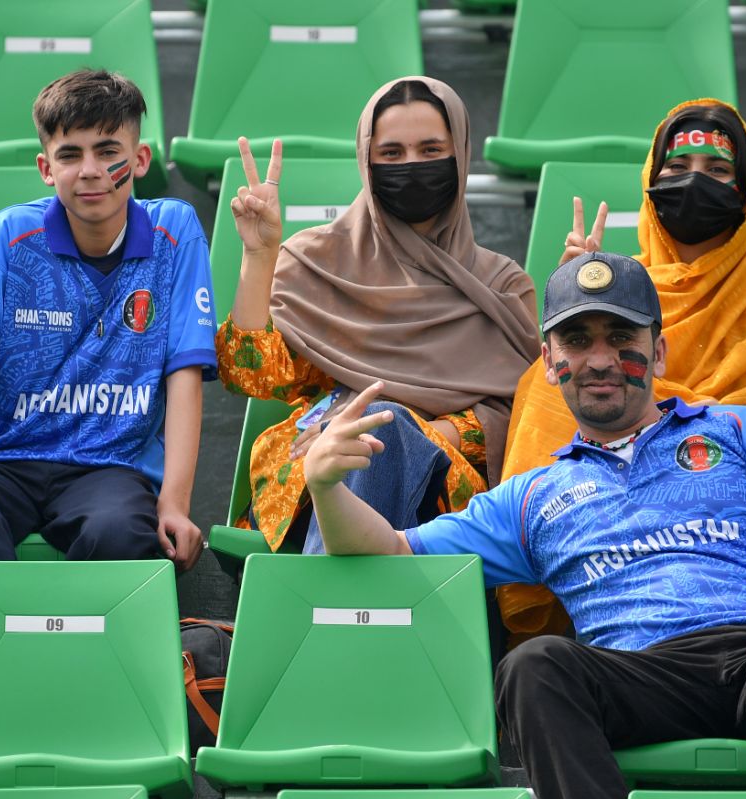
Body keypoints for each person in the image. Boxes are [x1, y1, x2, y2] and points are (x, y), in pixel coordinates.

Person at [304, 251, 746, 799]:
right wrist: (325, 489)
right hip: (643, 677)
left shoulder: (740, 431)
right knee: (534, 666)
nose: (600, 359)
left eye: (621, 337)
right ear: (550, 363)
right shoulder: (531, 497)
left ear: (657, 352)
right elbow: (393, 552)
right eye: (576, 340)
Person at [495, 98, 746, 644]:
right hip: (616, 567)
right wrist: (572, 313)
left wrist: (684, 423)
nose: (694, 183)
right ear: (652, 183)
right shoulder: (627, 305)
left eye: (718, 171)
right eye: (676, 169)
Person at [0, 69, 216, 579]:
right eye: (71, 155)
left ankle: (88, 658)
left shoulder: (175, 233)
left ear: (139, 161)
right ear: (47, 168)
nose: (90, 170)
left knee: (120, 530)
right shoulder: (8, 236)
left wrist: (173, 503)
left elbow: (184, 375)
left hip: (109, 467)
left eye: (108, 151)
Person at [217, 76, 537, 553]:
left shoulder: (501, 285)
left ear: (461, 156)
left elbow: (521, 418)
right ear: (368, 163)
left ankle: (330, 613)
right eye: (392, 154)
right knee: (357, 449)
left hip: (445, 495)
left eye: (431, 150)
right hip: (317, 478)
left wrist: (398, 429)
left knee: (378, 432)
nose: (411, 166)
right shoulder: (315, 259)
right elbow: (255, 378)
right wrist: (259, 256)